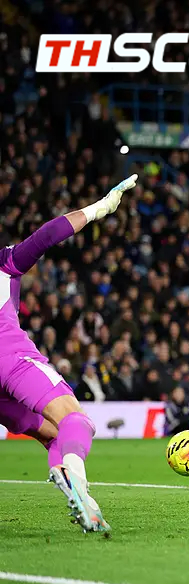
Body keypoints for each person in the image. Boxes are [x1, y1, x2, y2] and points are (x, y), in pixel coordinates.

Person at [0, 174, 139, 533]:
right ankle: (77, 482)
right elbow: (47, 235)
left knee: (52, 435)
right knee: (76, 421)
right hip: (8, 357)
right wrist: (100, 208)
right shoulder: (4, 263)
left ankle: (79, 495)